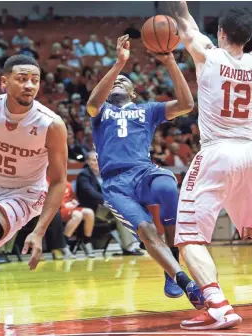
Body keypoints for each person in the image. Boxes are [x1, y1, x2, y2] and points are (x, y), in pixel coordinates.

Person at [169, 1, 252, 330]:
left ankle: (217, 306)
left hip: (217, 152)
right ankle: (216, 304)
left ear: (220, 32)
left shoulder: (208, 54)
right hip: (250, 152)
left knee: (188, 237)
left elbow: (183, 20)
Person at [86, 34, 205, 307]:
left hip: (143, 172)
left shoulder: (146, 110)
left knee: (166, 184)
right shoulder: (101, 111)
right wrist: (118, 64)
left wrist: (171, 61)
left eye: (124, 81)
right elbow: (92, 103)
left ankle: (172, 258)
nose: (118, 81)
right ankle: (182, 280)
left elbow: (187, 104)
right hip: (116, 184)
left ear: (133, 93)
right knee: (146, 231)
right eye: (115, 80)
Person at [0, 54, 67, 277]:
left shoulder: (51, 124)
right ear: (4, 82)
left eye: (35, 80)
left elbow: (58, 181)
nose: (29, 85)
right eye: (22, 79)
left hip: (24, 194)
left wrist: (39, 231)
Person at [76, 151, 144, 256]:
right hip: (93, 209)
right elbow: (90, 193)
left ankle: (132, 244)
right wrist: (107, 200)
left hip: (107, 209)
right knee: (120, 214)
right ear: (88, 162)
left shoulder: (105, 174)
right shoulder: (84, 175)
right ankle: (128, 247)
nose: (97, 162)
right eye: (94, 160)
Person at [61, 180, 95, 258]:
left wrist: (74, 201)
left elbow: (72, 197)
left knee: (89, 213)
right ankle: (63, 244)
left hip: (70, 208)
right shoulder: (48, 182)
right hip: (58, 209)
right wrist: (64, 205)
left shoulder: (67, 184)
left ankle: (86, 241)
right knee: (77, 215)